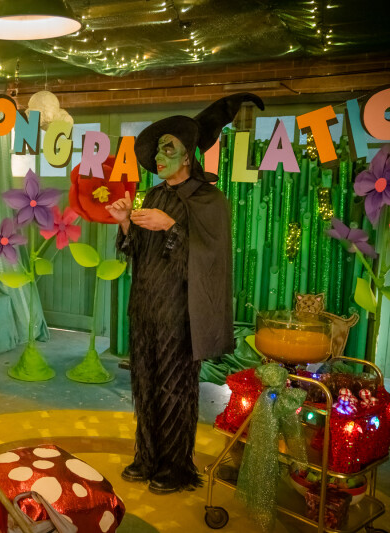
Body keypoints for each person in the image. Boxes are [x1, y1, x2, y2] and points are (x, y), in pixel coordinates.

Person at [105, 94, 262, 494]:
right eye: (158, 149)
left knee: (174, 388)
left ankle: (174, 466)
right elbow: (139, 251)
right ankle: (148, 456)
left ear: (189, 155)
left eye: (168, 148)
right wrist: (125, 223)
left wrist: (172, 226)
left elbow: (211, 259)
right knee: (144, 383)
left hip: (181, 312)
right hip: (146, 306)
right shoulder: (155, 195)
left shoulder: (210, 200)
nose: (159, 156)